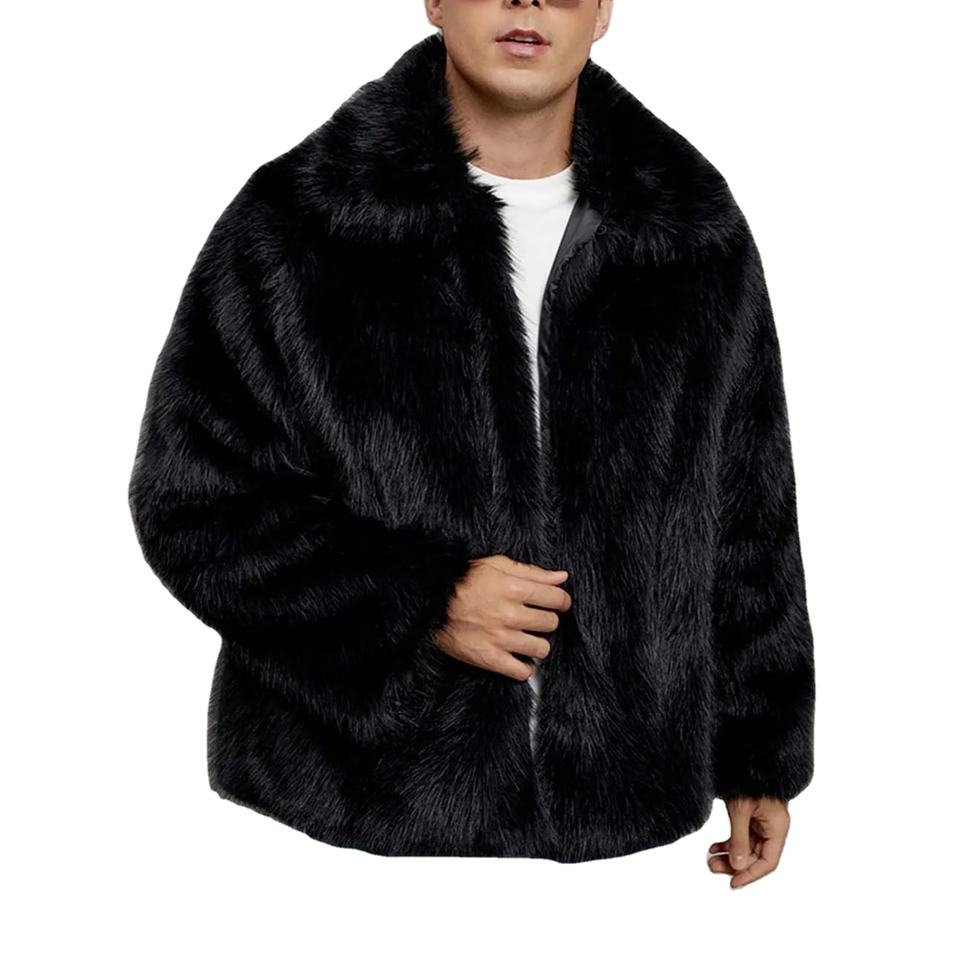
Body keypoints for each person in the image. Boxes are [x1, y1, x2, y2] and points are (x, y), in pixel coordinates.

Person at [128, 0, 815, 884]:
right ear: (434, 0)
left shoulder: (689, 231)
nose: (526, 0)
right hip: (341, 839)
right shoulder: (301, 220)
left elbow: (749, 503)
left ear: (603, 10)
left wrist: (756, 751)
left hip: (628, 838)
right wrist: (418, 604)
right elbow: (195, 504)